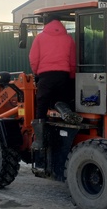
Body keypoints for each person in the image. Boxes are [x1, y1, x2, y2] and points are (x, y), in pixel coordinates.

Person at [29, 15, 82, 149]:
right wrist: (70, 77)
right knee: (60, 99)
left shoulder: (40, 38)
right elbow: (73, 61)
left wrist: (37, 73)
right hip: (63, 75)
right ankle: (64, 110)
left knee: (42, 104)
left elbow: (33, 58)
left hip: (45, 76)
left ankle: (40, 141)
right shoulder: (68, 39)